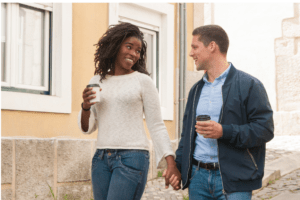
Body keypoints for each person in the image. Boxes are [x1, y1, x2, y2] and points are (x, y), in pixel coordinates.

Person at [167, 25, 274, 199]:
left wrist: (224, 131)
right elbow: (186, 134)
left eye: (195, 47)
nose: (191, 53)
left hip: (235, 179)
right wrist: (178, 168)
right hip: (198, 178)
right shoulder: (196, 90)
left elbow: (265, 130)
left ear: (212, 46)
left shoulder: (250, 85)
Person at [77, 22, 180, 200]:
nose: (134, 53)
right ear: (116, 46)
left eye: (138, 51)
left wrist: (170, 163)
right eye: (129, 47)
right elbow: (88, 128)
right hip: (101, 159)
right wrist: (85, 106)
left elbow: (156, 125)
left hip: (132, 157)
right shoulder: (97, 80)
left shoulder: (142, 81)